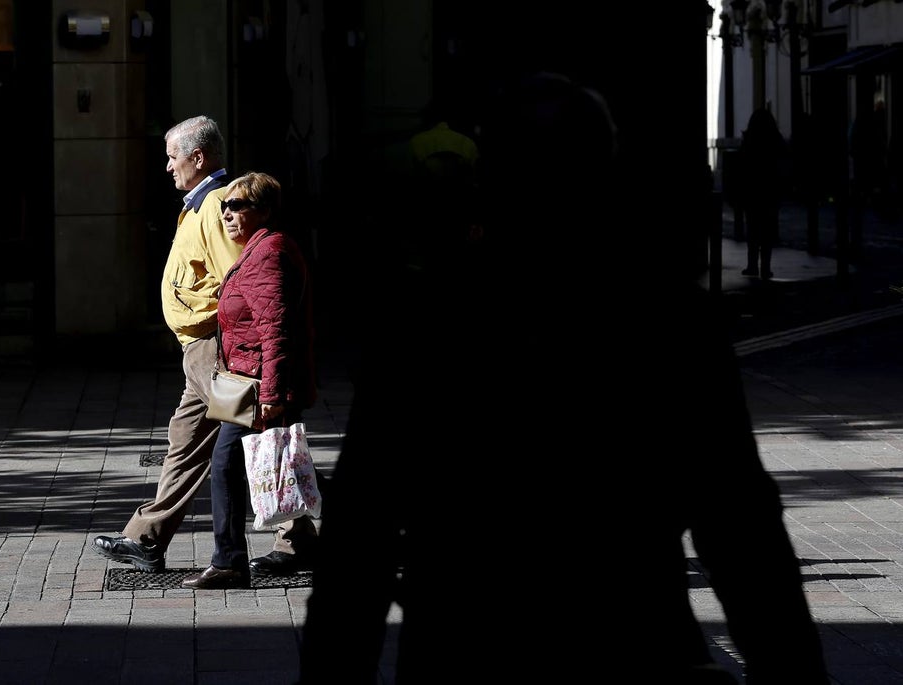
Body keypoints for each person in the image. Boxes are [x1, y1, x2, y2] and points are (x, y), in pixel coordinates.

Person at [297, 72, 828, 684]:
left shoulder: (429, 321)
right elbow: (740, 528)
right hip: (629, 642)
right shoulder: (669, 320)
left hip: (465, 645)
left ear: (489, 178)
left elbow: (361, 532)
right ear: (607, 175)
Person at [91, 116, 316, 575]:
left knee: (253, 440)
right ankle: (148, 538)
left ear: (198, 157)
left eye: (174, 156)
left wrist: (251, 367)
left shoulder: (218, 203)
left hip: (214, 349)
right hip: (201, 349)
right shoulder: (200, 203)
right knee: (190, 440)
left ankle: (289, 540)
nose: (169, 166)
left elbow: (248, 280)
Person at [182, 171, 318, 590]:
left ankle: (228, 562)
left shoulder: (267, 253)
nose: (226, 213)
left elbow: (275, 328)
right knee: (285, 464)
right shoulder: (258, 249)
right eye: (225, 206)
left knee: (227, 466)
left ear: (264, 211)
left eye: (237, 206)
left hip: (259, 387)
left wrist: (273, 396)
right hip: (254, 382)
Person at [739, 107, 787, 279]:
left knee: (752, 230)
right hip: (770, 192)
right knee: (767, 231)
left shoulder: (749, 141)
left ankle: (752, 265)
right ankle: (765, 267)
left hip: (753, 191)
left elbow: (742, 167)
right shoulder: (776, 141)